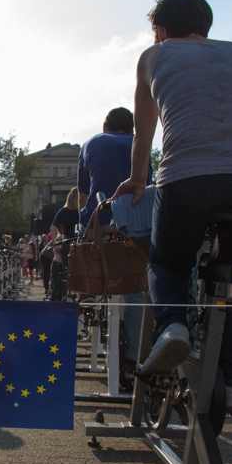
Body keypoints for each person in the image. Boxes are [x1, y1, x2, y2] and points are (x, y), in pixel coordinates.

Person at [111, 0, 232, 414]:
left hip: (193, 177)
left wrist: (138, 180)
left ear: (159, 29)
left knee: (168, 262)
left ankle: (172, 328)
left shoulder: (153, 57)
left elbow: (144, 132)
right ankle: (231, 384)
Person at [77, 107, 152, 376]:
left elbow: (83, 198)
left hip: (99, 218)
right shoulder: (139, 145)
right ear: (131, 128)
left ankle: (86, 297)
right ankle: (132, 357)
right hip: (134, 222)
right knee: (136, 288)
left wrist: (81, 232)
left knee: (85, 266)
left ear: (105, 127)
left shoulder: (90, 144)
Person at [50, 187, 80, 300]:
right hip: (80, 243)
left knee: (65, 273)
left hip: (67, 244)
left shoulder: (63, 211)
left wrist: (55, 244)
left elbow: (52, 228)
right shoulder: (82, 211)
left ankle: (64, 297)